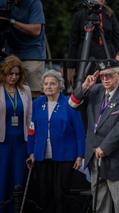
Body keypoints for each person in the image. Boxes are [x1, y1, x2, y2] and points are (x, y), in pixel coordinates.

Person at [68, 59, 119, 213]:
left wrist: (105, 147)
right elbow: (72, 104)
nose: (105, 79)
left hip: (118, 158)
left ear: (118, 74)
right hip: (95, 156)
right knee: (100, 205)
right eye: (102, 76)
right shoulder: (95, 90)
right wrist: (85, 86)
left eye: (109, 75)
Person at [27, 70, 85, 213]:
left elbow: (79, 131)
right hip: (41, 155)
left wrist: (80, 155)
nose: (48, 87)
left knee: (61, 194)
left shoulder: (69, 103)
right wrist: (31, 152)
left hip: (65, 155)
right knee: (44, 193)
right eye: (46, 84)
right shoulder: (36, 104)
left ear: (60, 86)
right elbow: (31, 130)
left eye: (52, 83)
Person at [0, 55, 32, 213]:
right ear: (4, 73)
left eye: (17, 74)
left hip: (21, 142)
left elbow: (30, 119)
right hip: (2, 143)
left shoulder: (25, 90)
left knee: (18, 181)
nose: (13, 77)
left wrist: (31, 145)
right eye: (10, 73)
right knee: (2, 180)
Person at [67, 0, 119, 88]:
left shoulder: (109, 15)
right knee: (86, 84)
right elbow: (73, 43)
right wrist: (70, 66)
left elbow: (117, 40)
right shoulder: (80, 15)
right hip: (86, 55)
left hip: (106, 54)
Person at [0, 0, 46, 98]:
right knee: (6, 91)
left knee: (33, 93)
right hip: (10, 53)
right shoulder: (4, 2)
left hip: (32, 53)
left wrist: (12, 22)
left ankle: (32, 112)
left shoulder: (34, 3)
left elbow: (36, 30)